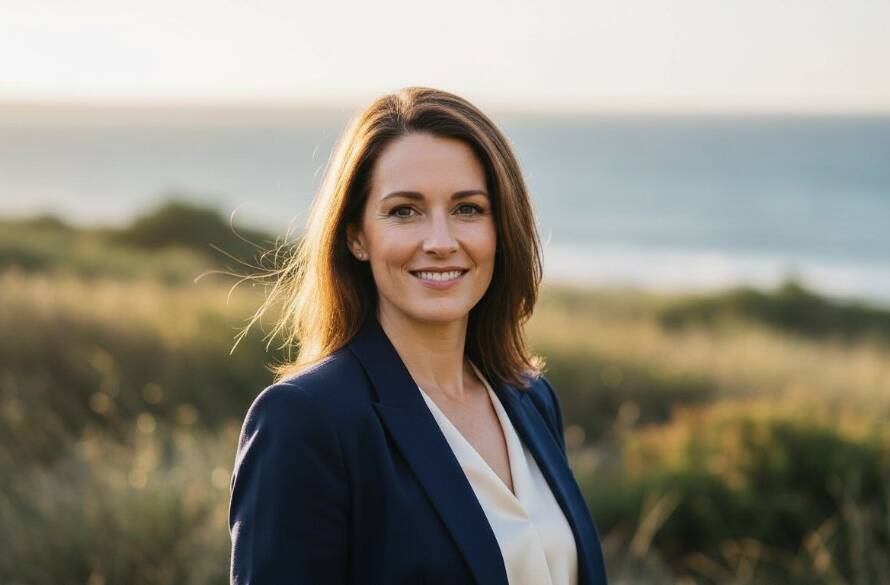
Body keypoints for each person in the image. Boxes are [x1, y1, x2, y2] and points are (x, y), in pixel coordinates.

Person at [228, 86, 609, 585]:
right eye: (404, 211)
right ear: (357, 235)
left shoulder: (531, 398)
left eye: (468, 209)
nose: (440, 242)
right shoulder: (306, 421)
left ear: (501, 228)